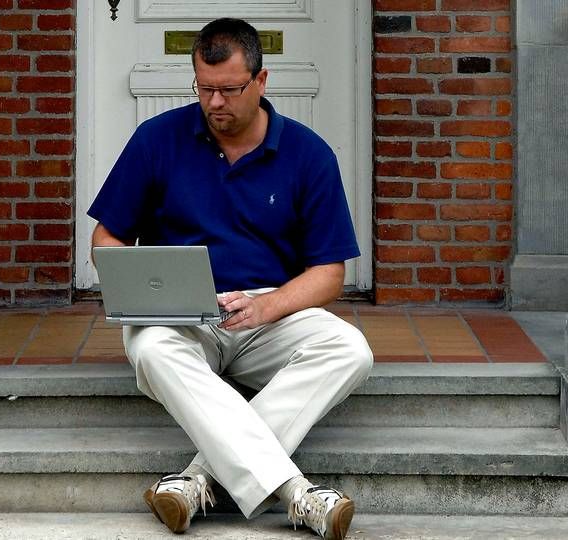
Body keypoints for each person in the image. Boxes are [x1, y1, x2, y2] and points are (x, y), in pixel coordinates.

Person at [87, 17, 373, 540]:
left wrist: (267, 307)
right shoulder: (157, 139)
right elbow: (106, 241)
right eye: (204, 88)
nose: (215, 103)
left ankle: (198, 480)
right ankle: (297, 494)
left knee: (350, 348)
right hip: (180, 312)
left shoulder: (309, 155)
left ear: (261, 82)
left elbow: (331, 273)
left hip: (268, 312)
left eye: (228, 90)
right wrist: (141, 286)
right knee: (151, 350)